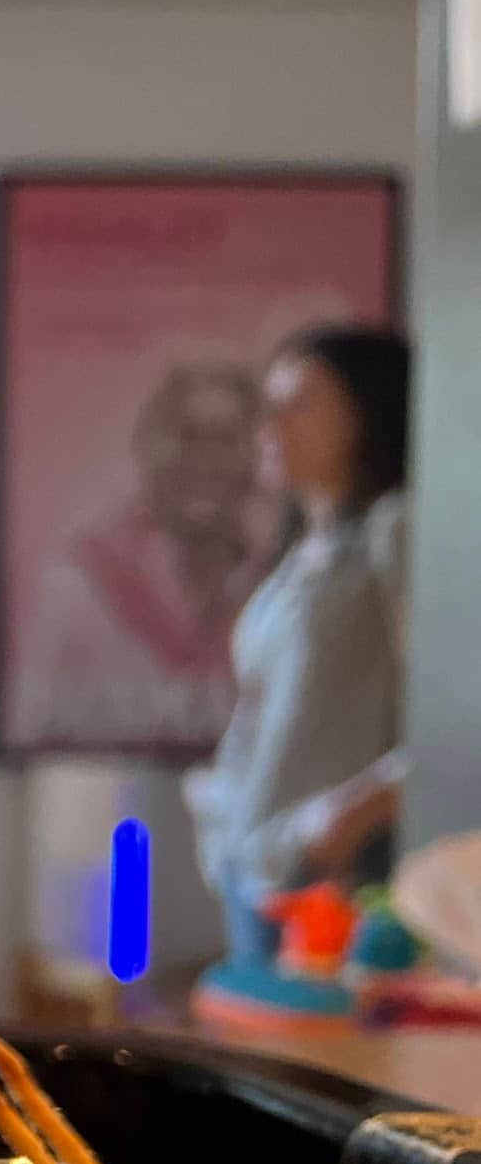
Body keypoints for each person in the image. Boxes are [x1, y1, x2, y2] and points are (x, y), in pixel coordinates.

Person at [183, 325, 412, 964]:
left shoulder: (393, 533)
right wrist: (220, 814)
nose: (273, 420)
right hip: (255, 869)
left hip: (339, 884)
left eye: (303, 400)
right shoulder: (299, 558)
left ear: (368, 411)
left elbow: (452, 714)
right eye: (272, 400)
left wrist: (347, 815)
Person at [5, 356, 280, 753]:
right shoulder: (80, 588)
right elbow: (33, 731)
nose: (206, 462)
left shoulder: (277, 586)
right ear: (148, 448)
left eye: (226, 439)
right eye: (187, 437)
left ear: (258, 457)